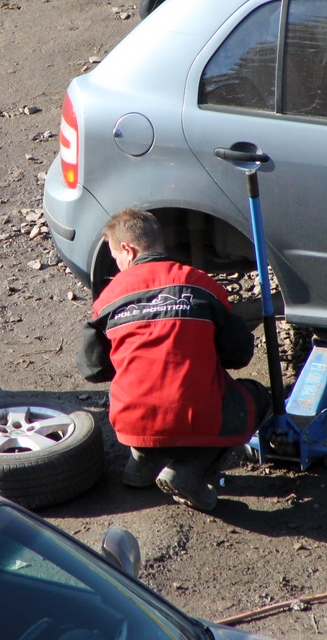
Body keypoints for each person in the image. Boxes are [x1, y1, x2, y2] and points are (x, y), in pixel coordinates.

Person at [77, 208, 270, 511]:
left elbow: (92, 369)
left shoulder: (108, 299)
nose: (118, 265)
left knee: (139, 398)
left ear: (128, 249)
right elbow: (239, 355)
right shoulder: (202, 284)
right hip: (196, 418)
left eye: (117, 258)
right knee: (256, 397)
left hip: (133, 422)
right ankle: (191, 469)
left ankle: (142, 461)